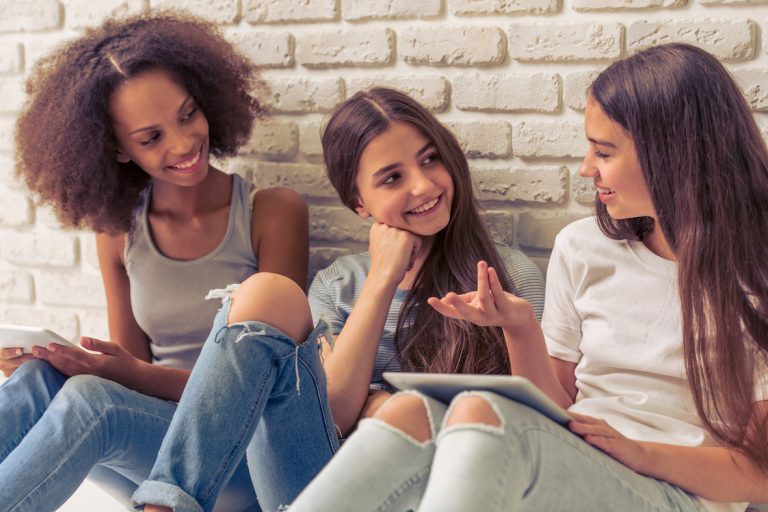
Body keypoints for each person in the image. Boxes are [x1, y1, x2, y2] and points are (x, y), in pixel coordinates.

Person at [288, 43, 768, 512]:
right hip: (578, 455)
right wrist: (519, 328)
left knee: (478, 412)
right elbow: (556, 405)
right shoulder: (584, 247)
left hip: (672, 491)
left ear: (671, 154)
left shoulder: (756, 276)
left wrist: (639, 452)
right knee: (411, 411)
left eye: (603, 152)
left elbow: (758, 475)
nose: (585, 169)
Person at [131, 87, 545, 512]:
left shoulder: (506, 278)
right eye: (392, 177)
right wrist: (382, 280)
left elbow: (541, 423)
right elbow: (333, 414)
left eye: (430, 159)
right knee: (265, 292)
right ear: (359, 204)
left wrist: (385, 407)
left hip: (443, 491)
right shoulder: (340, 284)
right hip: (320, 487)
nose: (423, 185)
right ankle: (164, 505)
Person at [0, 11, 308, 512]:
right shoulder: (119, 233)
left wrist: (117, 374)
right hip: (154, 452)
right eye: (151, 138)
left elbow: (272, 384)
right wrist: (61, 364)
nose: (184, 144)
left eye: (188, 115)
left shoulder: (271, 212)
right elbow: (132, 369)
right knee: (39, 380)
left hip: (242, 456)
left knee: (89, 401)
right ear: (117, 151)